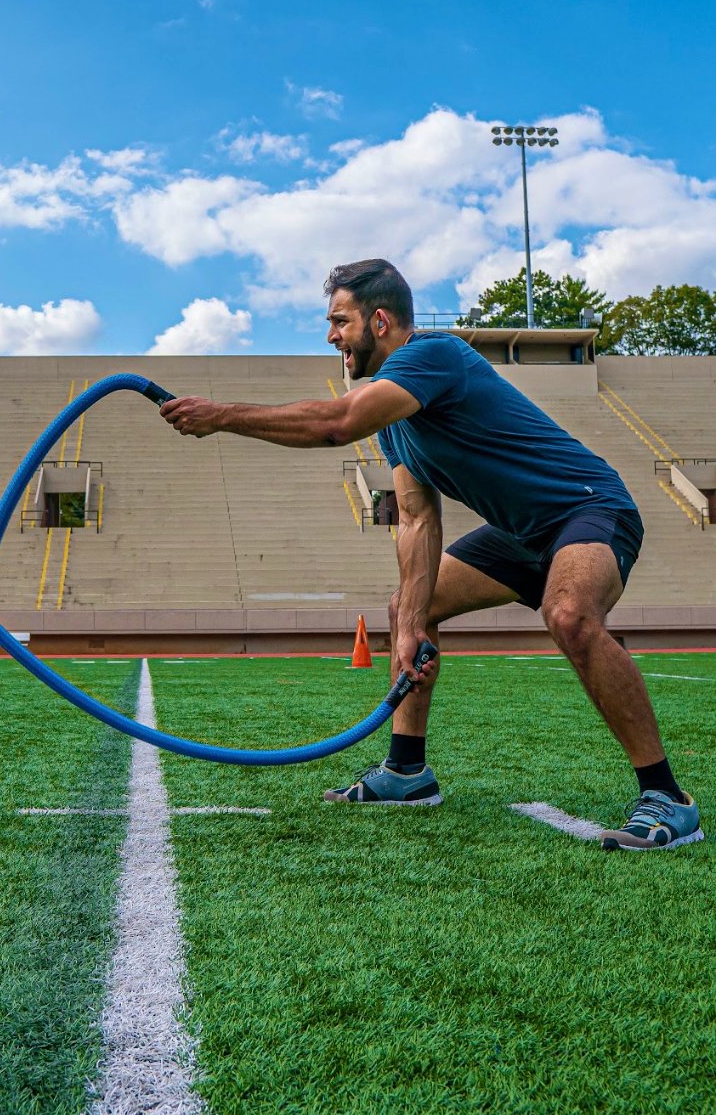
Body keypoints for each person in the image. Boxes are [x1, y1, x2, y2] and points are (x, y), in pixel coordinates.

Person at [159, 258, 702, 852]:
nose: (331, 336)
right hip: (520, 532)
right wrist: (413, 622)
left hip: (588, 508)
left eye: (339, 321)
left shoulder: (434, 355)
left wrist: (219, 416)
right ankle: (407, 772)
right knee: (407, 606)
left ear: (381, 321)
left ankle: (667, 798)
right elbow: (418, 517)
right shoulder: (394, 421)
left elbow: (338, 423)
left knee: (569, 615)